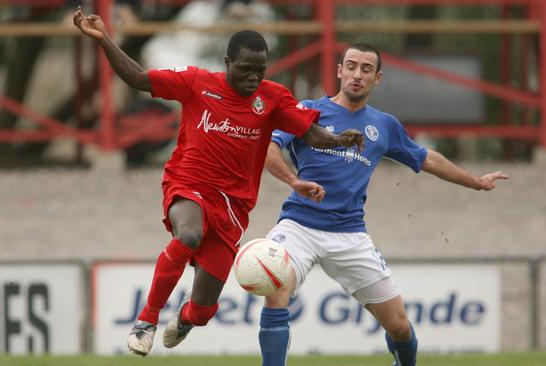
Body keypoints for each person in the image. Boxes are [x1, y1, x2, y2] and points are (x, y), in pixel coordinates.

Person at [72, 7, 364, 356]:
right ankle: (146, 320)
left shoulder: (271, 98)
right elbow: (137, 76)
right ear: (227, 62)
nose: (254, 78)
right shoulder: (197, 83)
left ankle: (185, 318)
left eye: (260, 70)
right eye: (246, 69)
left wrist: (339, 140)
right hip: (188, 183)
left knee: (205, 309)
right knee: (189, 234)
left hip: (234, 207)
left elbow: (311, 133)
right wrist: (104, 39)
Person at [258, 43, 508, 366]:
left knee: (400, 326)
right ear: (339, 71)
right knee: (274, 282)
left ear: (377, 78)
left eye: (365, 69)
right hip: (299, 227)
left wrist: (475, 181)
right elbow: (270, 148)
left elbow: (426, 158)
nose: (356, 75)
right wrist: (294, 181)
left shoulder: (384, 126)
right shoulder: (308, 110)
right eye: (350, 66)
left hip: (350, 235)